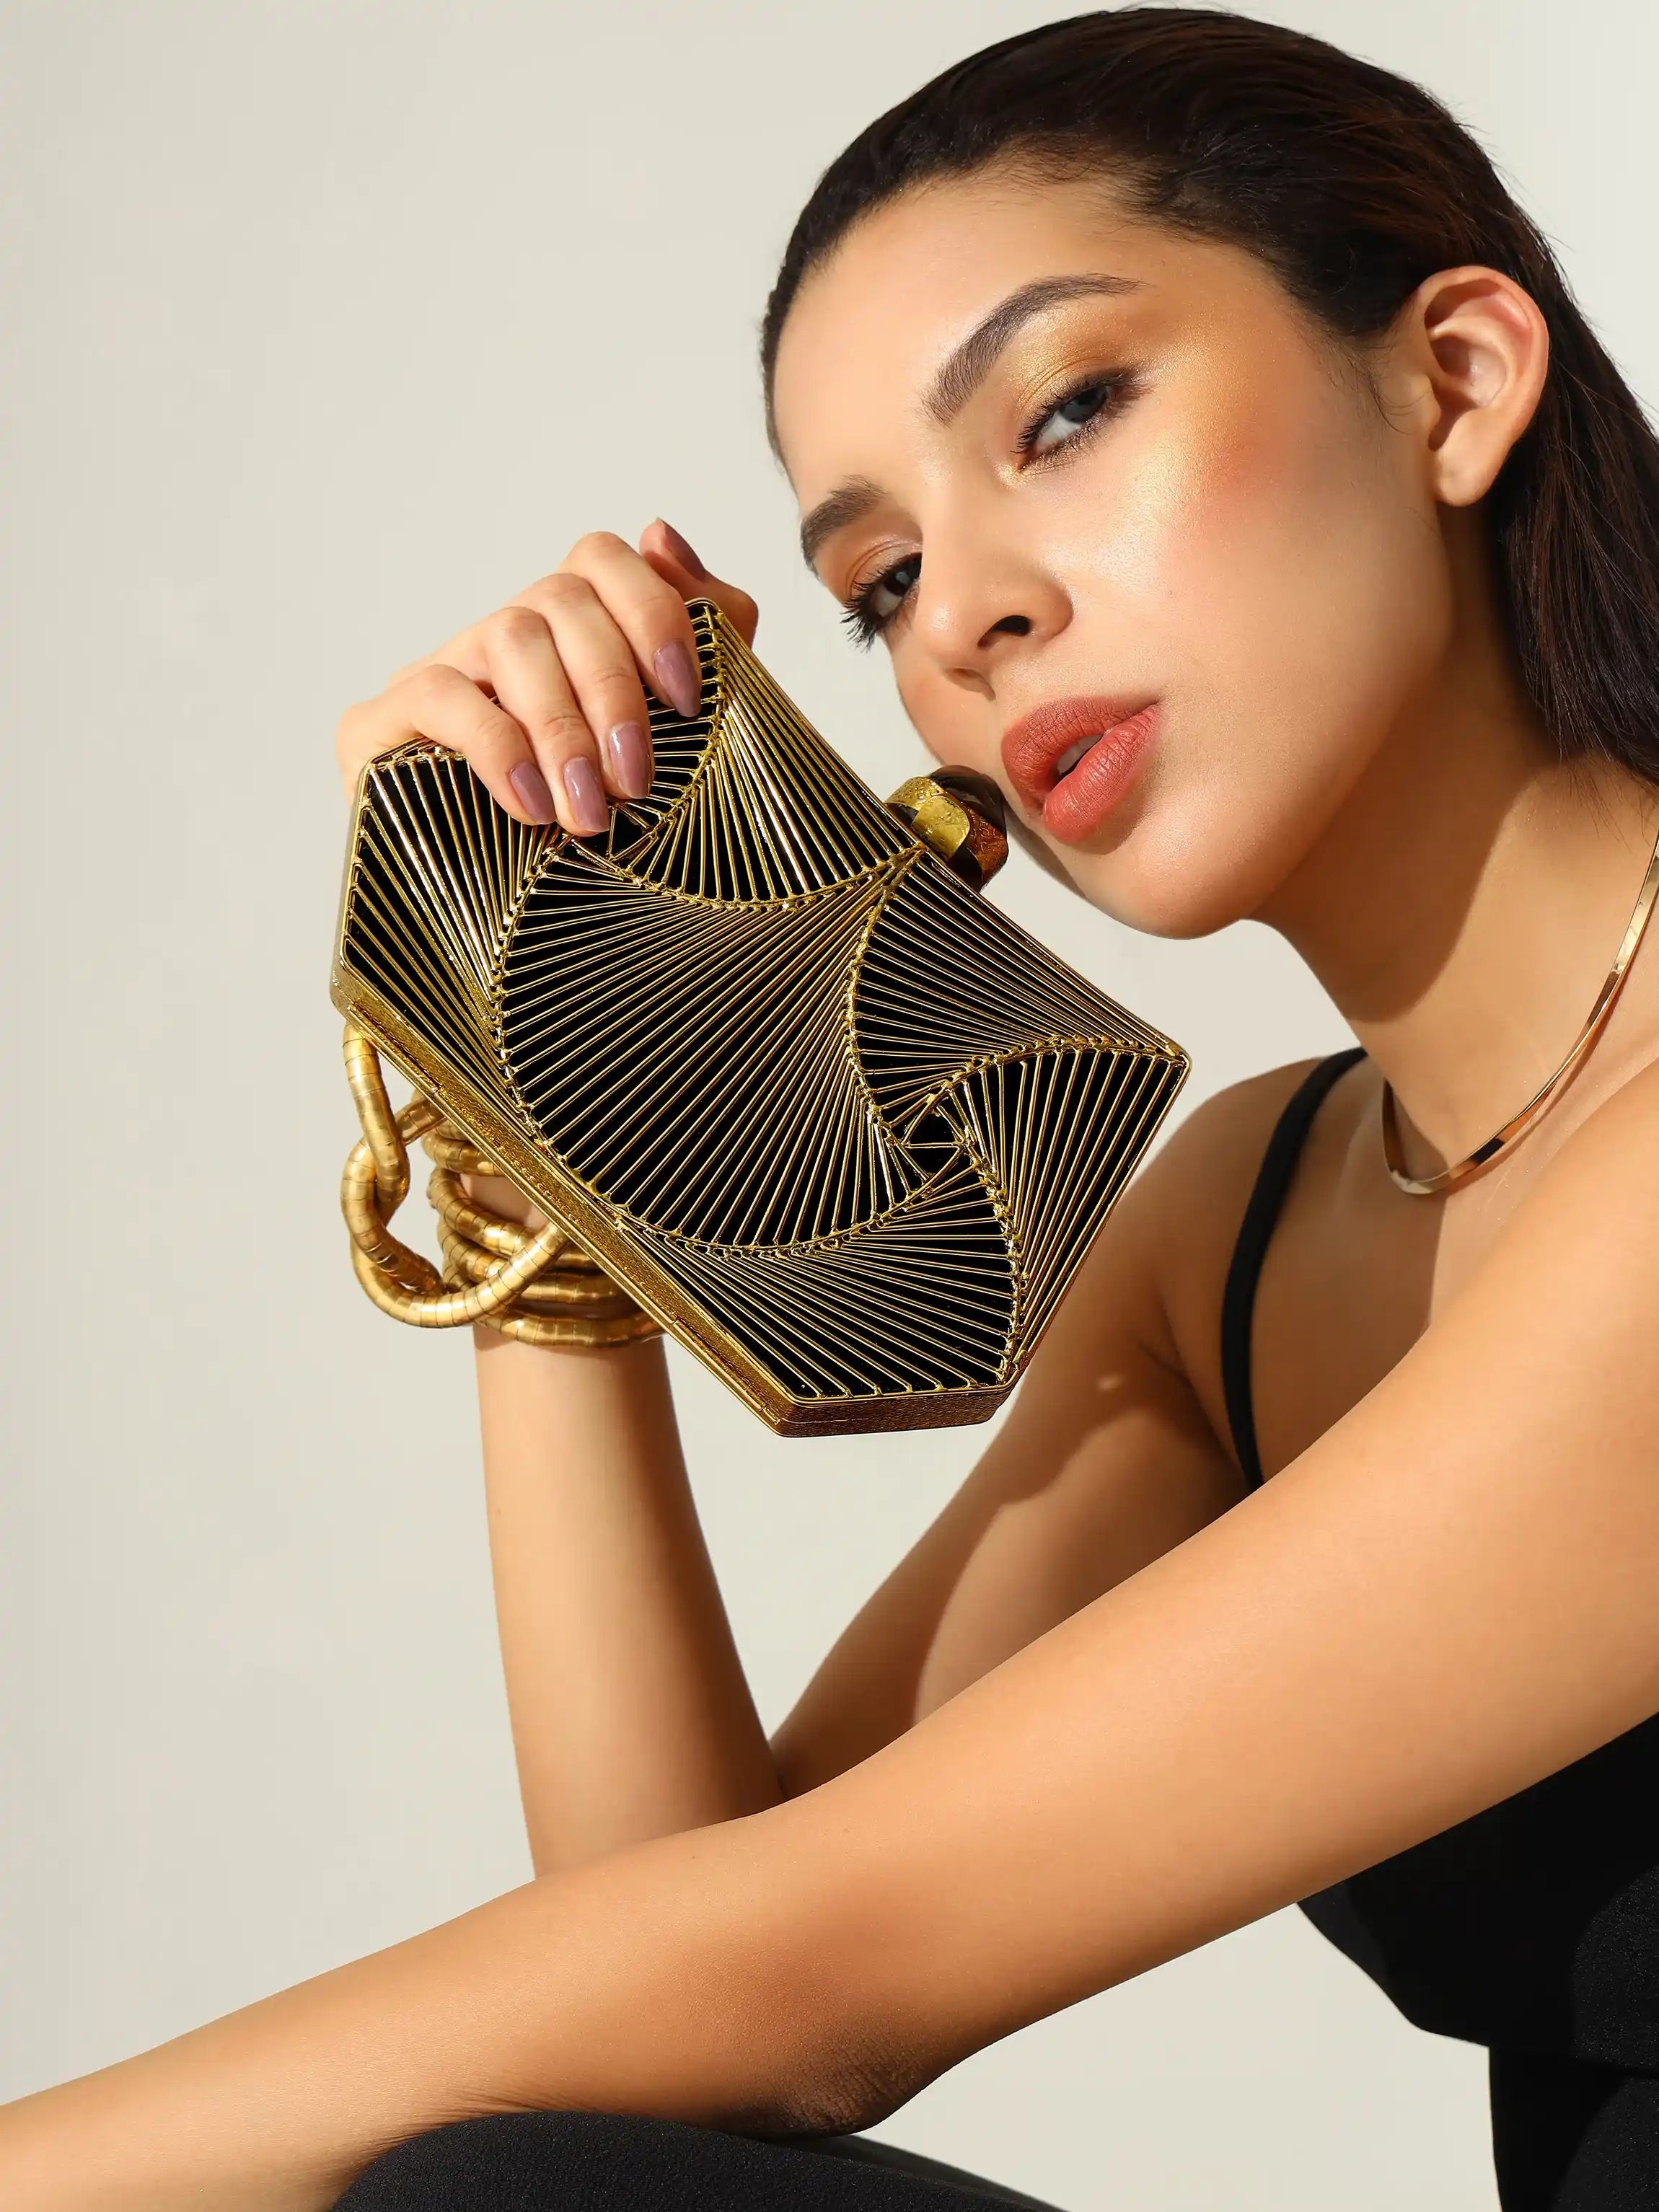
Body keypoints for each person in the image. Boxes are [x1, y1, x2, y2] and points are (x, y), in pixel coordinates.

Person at [6, 8, 1659, 2207]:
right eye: (875, 582)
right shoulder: (1249, 1224)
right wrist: (523, 1083)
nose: (963, 614)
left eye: (1064, 414)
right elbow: (665, 1995)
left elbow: (796, 1978)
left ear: (1450, 379)